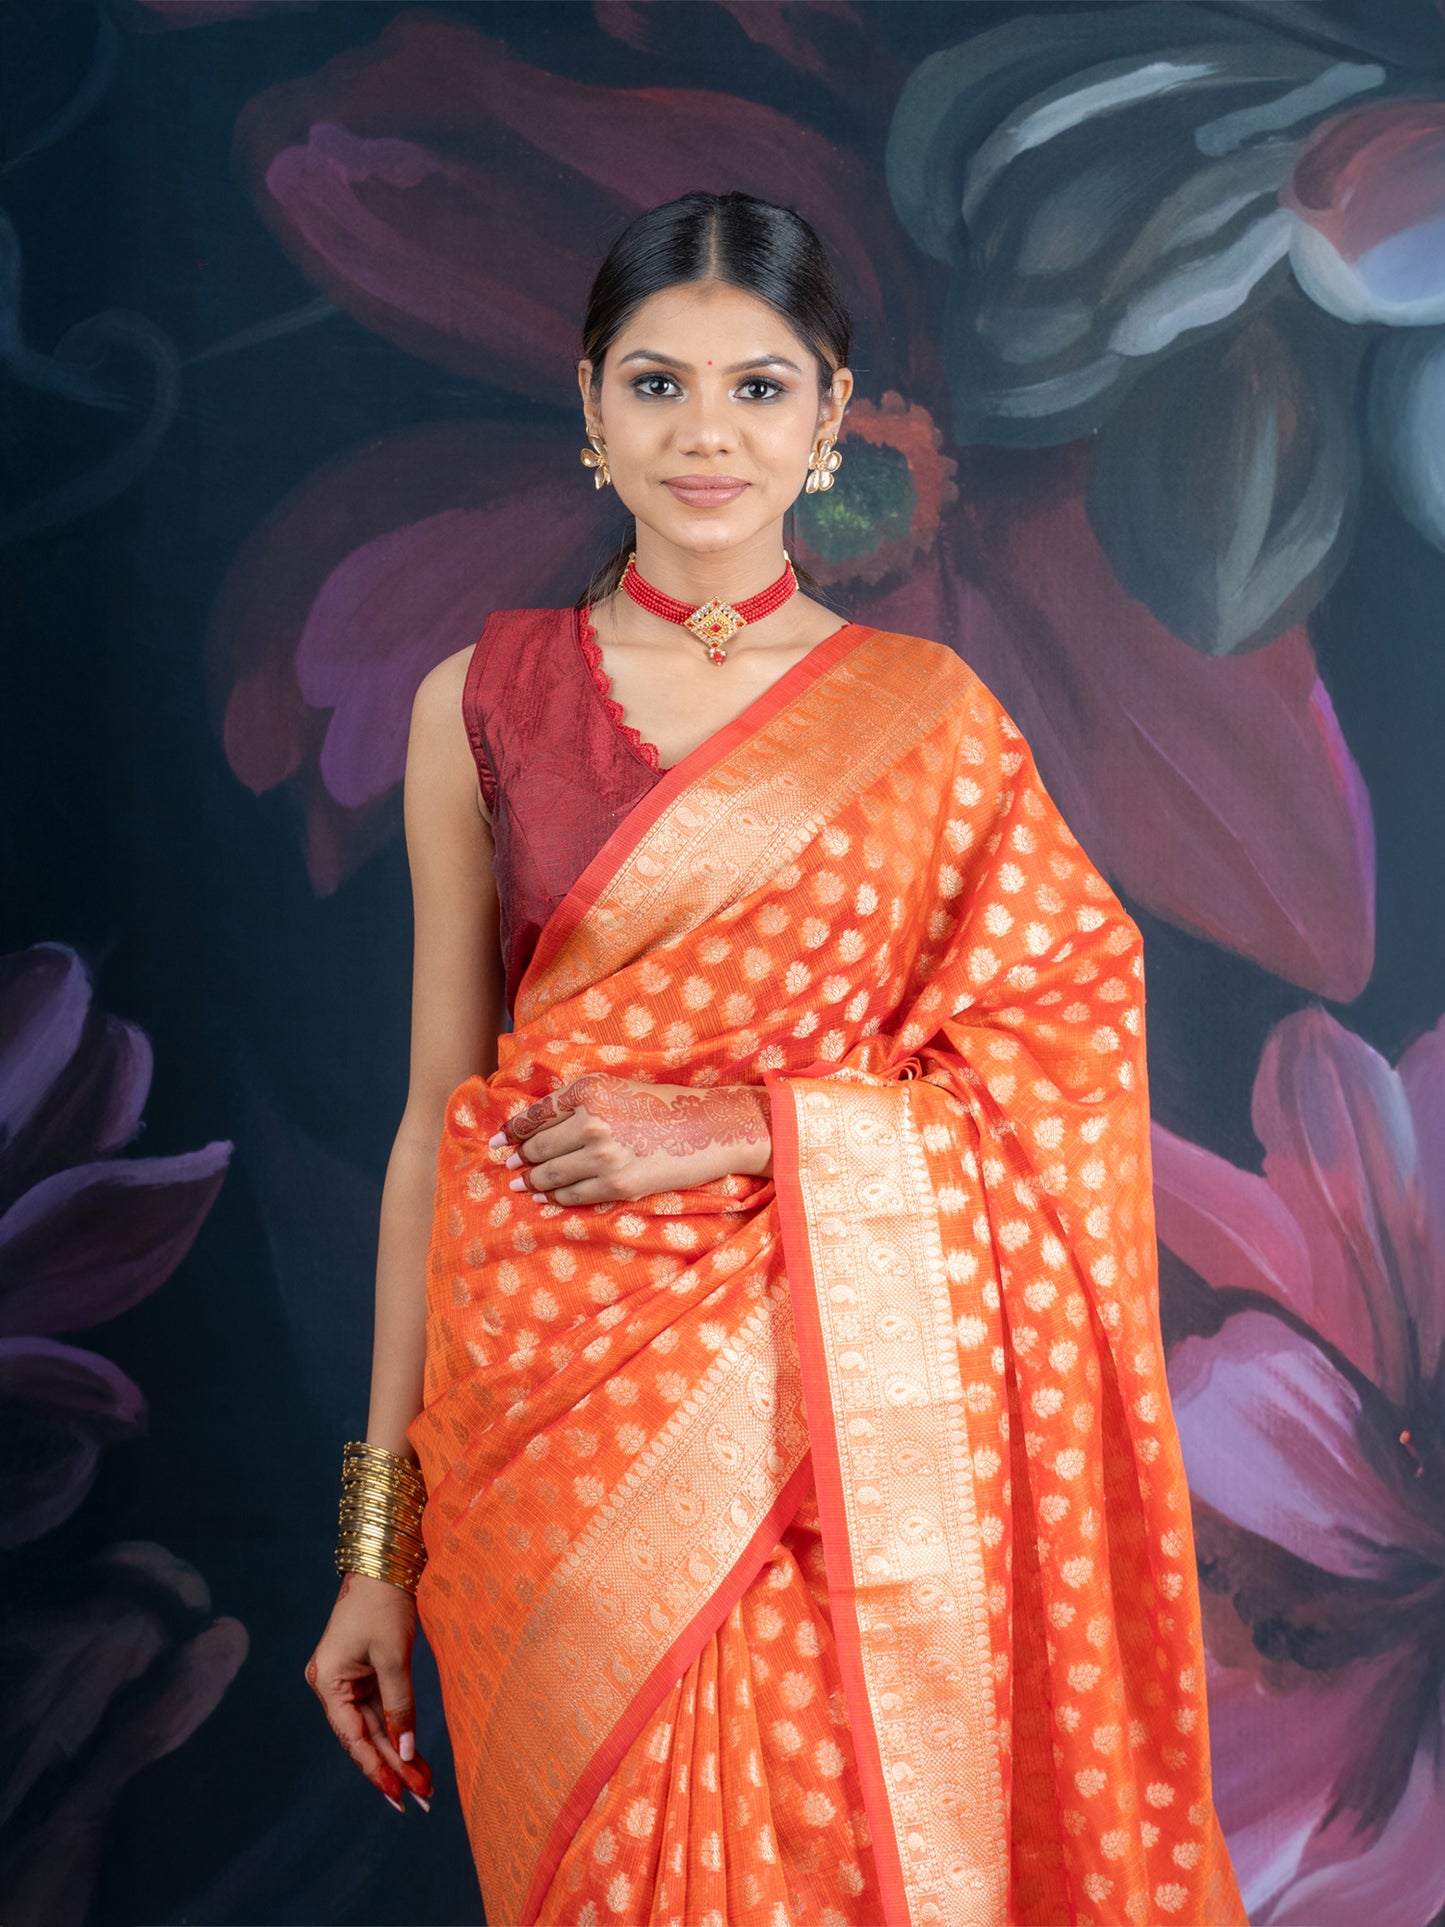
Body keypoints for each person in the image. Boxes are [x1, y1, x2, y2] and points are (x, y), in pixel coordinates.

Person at [305, 190, 1246, 1927]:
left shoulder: (930, 720)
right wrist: (380, 1546)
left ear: (829, 419)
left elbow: (1056, 1060)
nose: (705, 434)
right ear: (590, 410)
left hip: (838, 1418)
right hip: (544, 1426)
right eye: (658, 385)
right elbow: (440, 1116)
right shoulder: (481, 701)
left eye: (758, 388)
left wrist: (744, 1130)